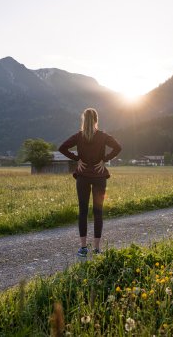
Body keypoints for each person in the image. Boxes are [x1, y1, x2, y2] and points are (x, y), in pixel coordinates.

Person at [58, 108, 122, 257]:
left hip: (83, 176)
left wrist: (77, 159)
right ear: (96, 120)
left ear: (83, 120)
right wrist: (104, 160)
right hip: (99, 176)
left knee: (83, 211)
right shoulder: (103, 136)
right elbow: (118, 147)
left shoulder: (79, 136)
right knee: (98, 212)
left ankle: (83, 248)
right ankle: (97, 248)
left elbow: (62, 148)